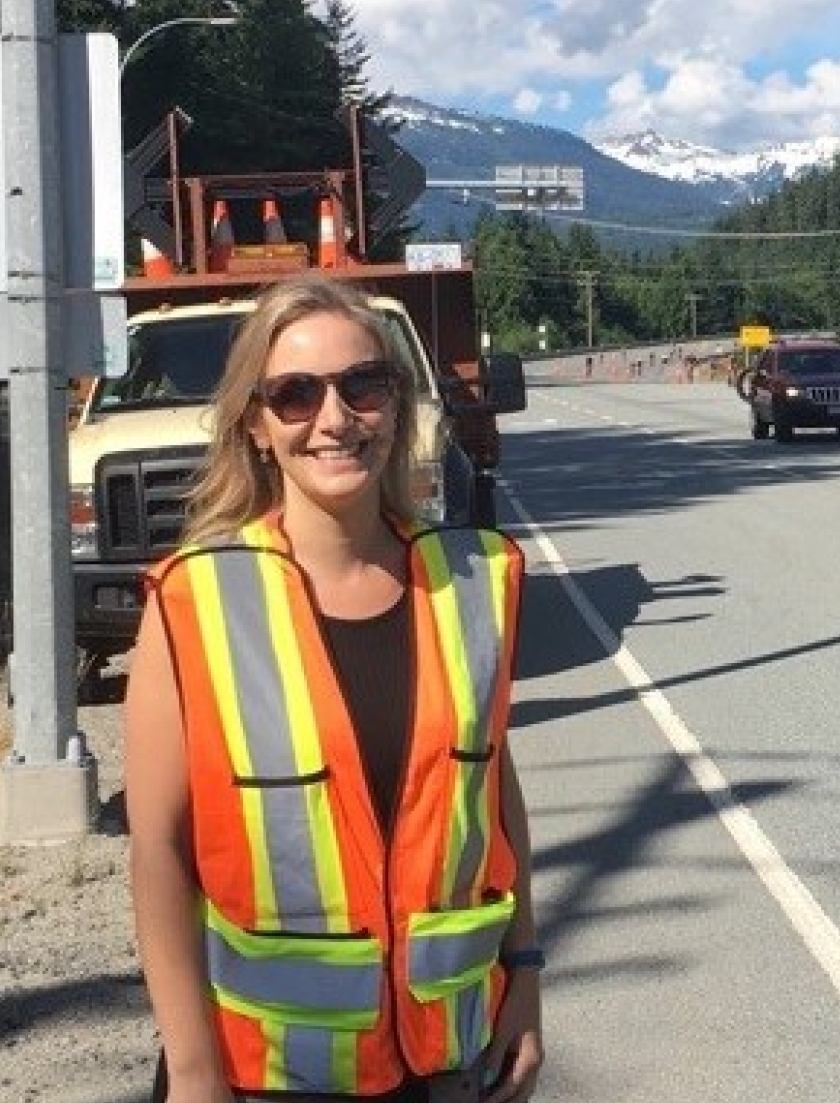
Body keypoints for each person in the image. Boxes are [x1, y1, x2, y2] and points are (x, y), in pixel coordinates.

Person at [125, 272, 545, 1103]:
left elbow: (493, 790)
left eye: (364, 385)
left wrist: (525, 977)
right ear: (255, 423)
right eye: (295, 394)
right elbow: (158, 851)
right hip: (269, 1075)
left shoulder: (472, 580)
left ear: (396, 404)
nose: (335, 418)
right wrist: (194, 1072)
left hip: (452, 1058)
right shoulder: (195, 601)